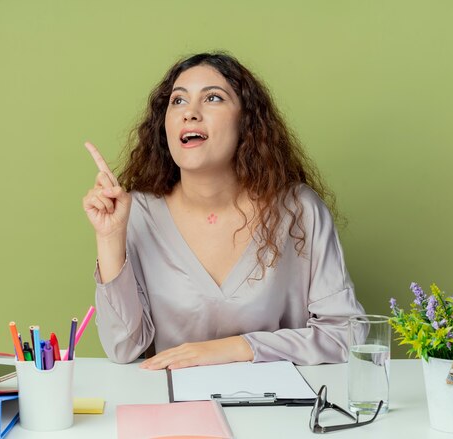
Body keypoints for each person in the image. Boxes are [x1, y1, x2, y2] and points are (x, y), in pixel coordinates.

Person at [82, 52, 365, 370]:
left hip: (283, 411)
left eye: (212, 98)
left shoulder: (299, 210)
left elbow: (348, 334)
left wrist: (238, 347)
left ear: (246, 121)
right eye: (178, 101)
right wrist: (109, 238)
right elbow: (124, 347)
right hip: (177, 411)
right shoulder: (139, 213)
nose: (190, 113)